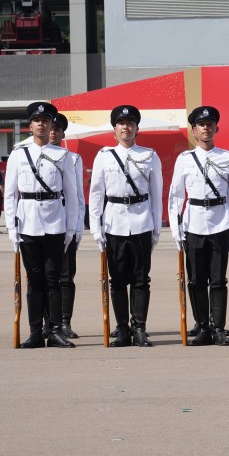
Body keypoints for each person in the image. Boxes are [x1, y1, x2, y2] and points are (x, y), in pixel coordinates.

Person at [4, 101, 80, 349]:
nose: (42, 124)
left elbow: (72, 194)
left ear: (51, 126)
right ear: (31, 125)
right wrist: (12, 229)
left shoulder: (63, 156)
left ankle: (56, 330)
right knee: (34, 280)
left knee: (54, 279)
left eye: (46, 121)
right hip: (28, 224)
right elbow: (10, 195)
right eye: (37, 120)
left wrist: (70, 229)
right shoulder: (18, 154)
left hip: (55, 224)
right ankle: (35, 330)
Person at [88, 105, 163, 347]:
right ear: (114, 129)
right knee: (118, 280)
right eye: (121, 123)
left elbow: (156, 193)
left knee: (141, 279)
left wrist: (156, 228)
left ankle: (139, 327)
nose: (126, 127)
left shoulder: (150, 155)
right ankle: (121, 328)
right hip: (114, 223)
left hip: (141, 222)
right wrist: (96, 228)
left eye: (130, 123)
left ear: (137, 128)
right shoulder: (104, 156)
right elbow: (96, 194)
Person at [168, 106, 229, 346]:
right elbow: (176, 196)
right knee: (196, 280)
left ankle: (218, 327)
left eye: (210, 124)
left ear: (216, 128)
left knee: (218, 280)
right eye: (201, 125)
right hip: (194, 222)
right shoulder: (185, 159)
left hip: (220, 221)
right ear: (194, 130)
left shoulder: (228, 157)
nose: (206, 128)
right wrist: (176, 228)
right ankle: (202, 326)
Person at [50, 113, 85, 339]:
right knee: (44, 277)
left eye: (57, 129)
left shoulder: (72, 159)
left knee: (65, 276)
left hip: (66, 224)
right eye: (51, 128)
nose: (53, 132)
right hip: (42, 224)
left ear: (63, 134)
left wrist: (78, 228)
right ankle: (47, 322)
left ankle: (64, 321)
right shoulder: (26, 154)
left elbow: (78, 197)